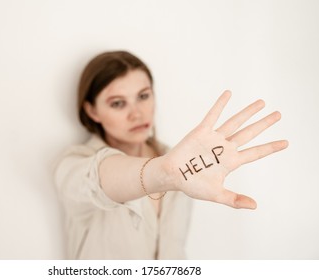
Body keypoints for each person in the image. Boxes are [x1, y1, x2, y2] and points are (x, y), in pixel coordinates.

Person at [54, 50, 288, 260]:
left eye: (143, 96)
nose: (137, 113)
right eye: (118, 103)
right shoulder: (75, 164)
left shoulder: (183, 162)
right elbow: (100, 177)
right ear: (92, 110)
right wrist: (163, 173)